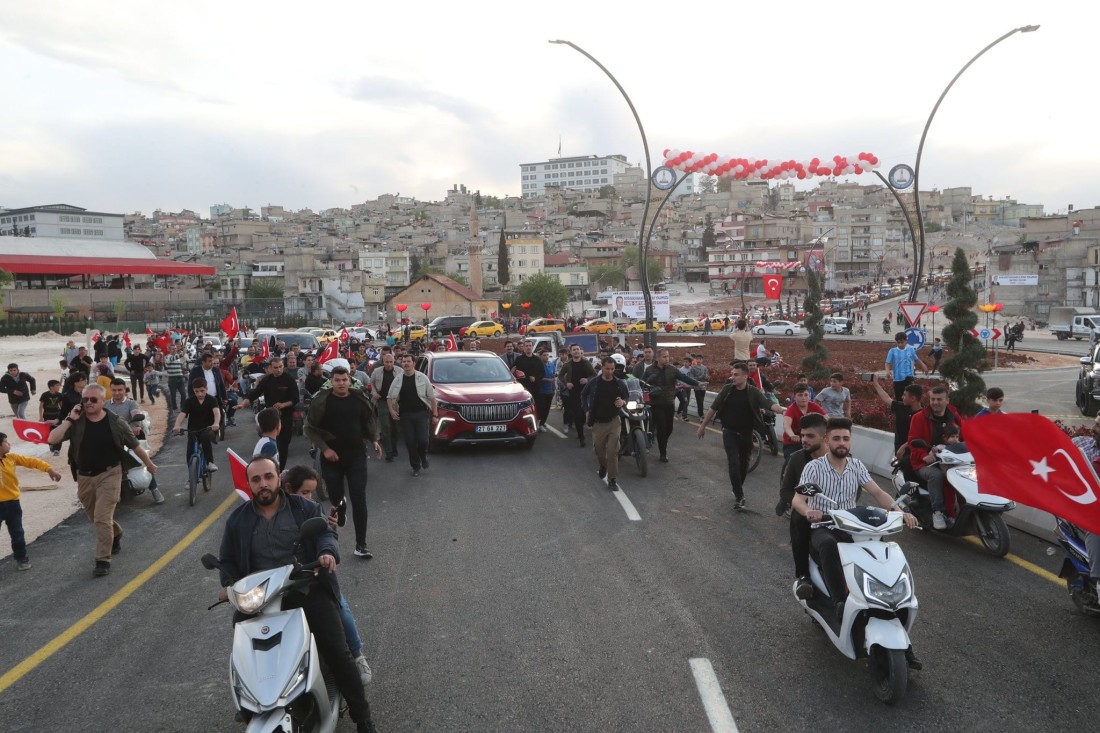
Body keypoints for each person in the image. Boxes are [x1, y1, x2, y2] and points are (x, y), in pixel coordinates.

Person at [215, 456, 377, 733]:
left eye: (268, 477)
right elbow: (227, 559)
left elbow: (326, 534)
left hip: (304, 587)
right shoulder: (238, 521)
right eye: (256, 479)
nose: (263, 484)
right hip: (261, 597)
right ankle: (251, 702)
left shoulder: (305, 507)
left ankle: (363, 719)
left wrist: (326, 553)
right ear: (250, 484)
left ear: (279, 478)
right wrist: (228, 583)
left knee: (338, 651)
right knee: (243, 650)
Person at [793, 419, 919, 633]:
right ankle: (839, 603)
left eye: (845, 438)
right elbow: (798, 500)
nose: (841, 443)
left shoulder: (856, 466)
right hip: (824, 527)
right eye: (836, 438)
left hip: (853, 526)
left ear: (851, 441)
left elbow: (878, 493)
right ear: (826, 440)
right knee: (829, 545)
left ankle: (890, 607)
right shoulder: (814, 467)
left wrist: (900, 512)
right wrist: (809, 512)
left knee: (880, 552)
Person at [48, 383, 158, 577]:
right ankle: (116, 532)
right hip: (84, 476)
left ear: (102, 401)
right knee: (95, 517)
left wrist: (149, 464)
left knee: (101, 517)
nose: (88, 403)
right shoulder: (77, 422)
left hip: (110, 474)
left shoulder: (115, 422)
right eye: (85, 400)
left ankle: (102, 560)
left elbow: (136, 446)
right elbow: (52, 439)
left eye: (93, 400)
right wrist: (69, 419)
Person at [281, 464, 373, 685]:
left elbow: (327, 537)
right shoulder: (274, 512)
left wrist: (328, 540)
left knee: (339, 606)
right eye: (304, 492)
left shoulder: (311, 508)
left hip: (314, 575)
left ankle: (357, 654)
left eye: (311, 492)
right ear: (287, 488)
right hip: (281, 582)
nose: (309, 497)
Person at [305, 365, 383, 558]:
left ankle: (361, 545)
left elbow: (368, 421)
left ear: (350, 380)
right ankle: (341, 506)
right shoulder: (321, 401)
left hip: (356, 456)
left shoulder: (358, 399)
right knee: (336, 497)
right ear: (331, 381)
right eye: (337, 380)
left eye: (344, 380)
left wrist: (374, 440)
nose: (341, 383)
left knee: (359, 498)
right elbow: (310, 428)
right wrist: (325, 449)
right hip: (332, 458)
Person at [697, 362, 784, 511]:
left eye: (736, 375)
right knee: (733, 463)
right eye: (732, 374)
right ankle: (739, 496)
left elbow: (767, 403)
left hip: (747, 434)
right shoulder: (727, 390)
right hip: (729, 432)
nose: (733, 377)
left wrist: (781, 410)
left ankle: (738, 487)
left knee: (744, 465)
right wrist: (702, 426)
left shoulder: (753, 392)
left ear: (745, 376)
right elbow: (713, 408)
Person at [0, 431, 63, 572]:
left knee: (17, 534)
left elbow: (32, 461)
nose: (9, 444)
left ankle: (22, 559)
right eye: (5, 442)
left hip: (12, 504)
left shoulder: (11, 458)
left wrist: (49, 470)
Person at [779, 414, 827, 592]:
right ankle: (803, 576)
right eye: (803, 435)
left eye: (810, 436)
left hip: (834, 513)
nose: (804, 440)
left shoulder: (841, 457)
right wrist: (804, 507)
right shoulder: (797, 458)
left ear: (824, 438)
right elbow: (785, 491)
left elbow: (857, 488)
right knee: (798, 520)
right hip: (807, 513)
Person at [907, 385, 965, 530]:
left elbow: (965, 434)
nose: (935, 403)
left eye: (939, 399)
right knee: (937, 476)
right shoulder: (919, 418)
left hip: (951, 460)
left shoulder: (953, 414)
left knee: (964, 475)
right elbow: (912, 441)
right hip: (925, 463)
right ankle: (937, 512)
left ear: (947, 401)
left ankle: (964, 510)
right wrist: (924, 455)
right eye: (933, 399)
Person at [105, 378, 165, 504]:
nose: (117, 393)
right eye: (114, 390)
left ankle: (154, 489)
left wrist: (137, 425)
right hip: (111, 441)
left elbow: (136, 414)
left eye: (120, 390)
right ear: (111, 390)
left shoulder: (131, 404)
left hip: (130, 438)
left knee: (142, 461)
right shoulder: (105, 405)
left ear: (124, 390)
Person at [238, 358, 299, 471]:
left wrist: (283, 405)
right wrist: (244, 403)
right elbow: (254, 394)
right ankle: (269, 469)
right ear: (270, 368)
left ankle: (279, 471)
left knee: (283, 446)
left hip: (286, 417)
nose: (278, 369)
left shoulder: (289, 380)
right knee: (270, 444)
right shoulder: (267, 380)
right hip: (271, 417)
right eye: (275, 367)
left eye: (280, 366)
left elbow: (295, 399)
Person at [643, 349, 702, 463]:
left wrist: (697, 383)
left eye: (668, 356)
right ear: (658, 358)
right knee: (661, 428)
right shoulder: (650, 370)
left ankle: (662, 442)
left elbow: (684, 378)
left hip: (669, 403)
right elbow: (642, 383)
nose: (667, 359)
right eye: (664, 357)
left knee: (669, 429)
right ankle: (663, 453)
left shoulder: (672, 369)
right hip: (656, 404)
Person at [580, 356, 629, 491]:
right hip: (598, 422)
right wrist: (586, 411)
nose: (610, 371)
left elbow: (626, 395)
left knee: (613, 451)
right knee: (600, 451)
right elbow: (583, 395)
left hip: (614, 421)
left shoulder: (619, 383)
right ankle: (603, 465)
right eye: (607, 369)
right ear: (602, 368)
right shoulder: (594, 383)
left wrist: (623, 402)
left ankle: (612, 479)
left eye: (612, 369)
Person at [387, 354, 436, 477]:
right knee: (410, 442)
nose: (406, 364)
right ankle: (416, 466)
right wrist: (392, 411)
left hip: (421, 413)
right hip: (406, 415)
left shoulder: (422, 378)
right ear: (401, 364)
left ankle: (423, 456)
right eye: (404, 362)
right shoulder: (398, 379)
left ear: (413, 363)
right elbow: (389, 397)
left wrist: (435, 414)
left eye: (408, 361)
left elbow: (432, 397)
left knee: (423, 440)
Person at [1071, 414, 1100, 601]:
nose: (1094, 428)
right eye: (1096, 424)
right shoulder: (1083, 444)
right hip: (1086, 508)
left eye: (1098, 425)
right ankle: (1099, 580)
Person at [173, 379, 222, 474]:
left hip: (209, 428)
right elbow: (182, 414)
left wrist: (216, 423)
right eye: (197, 391)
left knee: (205, 437)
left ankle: (210, 462)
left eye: (202, 391)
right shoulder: (190, 401)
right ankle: (191, 476)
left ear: (206, 389)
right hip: (193, 429)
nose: (199, 394)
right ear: (193, 390)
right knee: (190, 450)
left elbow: (217, 412)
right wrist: (177, 425)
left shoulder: (212, 400)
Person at [780, 382, 827, 475]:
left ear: (809, 396)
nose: (803, 398)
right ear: (794, 396)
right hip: (793, 443)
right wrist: (792, 435)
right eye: (800, 395)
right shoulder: (791, 409)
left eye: (806, 395)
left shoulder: (814, 406)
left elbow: (827, 419)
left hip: (811, 441)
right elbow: (787, 425)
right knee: (794, 463)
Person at [870, 375, 924, 456]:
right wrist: (875, 383)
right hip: (899, 451)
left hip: (913, 454)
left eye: (905, 395)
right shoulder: (901, 407)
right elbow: (887, 398)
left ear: (913, 398)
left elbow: (920, 436)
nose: (902, 397)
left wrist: (904, 447)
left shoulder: (924, 415)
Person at [559, 343, 596, 447]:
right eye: (574, 349)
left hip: (586, 393)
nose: (576, 351)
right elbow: (560, 376)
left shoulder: (586, 363)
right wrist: (567, 383)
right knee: (577, 415)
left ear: (580, 351)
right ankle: (581, 437)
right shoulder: (568, 364)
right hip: (573, 393)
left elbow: (594, 375)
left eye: (577, 349)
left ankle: (581, 428)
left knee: (584, 415)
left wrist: (587, 380)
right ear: (571, 352)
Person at [368, 352, 401, 462]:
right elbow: (371, 382)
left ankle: (394, 446)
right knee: (385, 426)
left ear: (394, 361)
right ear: (383, 362)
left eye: (391, 362)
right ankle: (389, 451)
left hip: (395, 402)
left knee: (395, 427)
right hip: (382, 401)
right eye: (386, 362)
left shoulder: (399, 371)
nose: (389, 364)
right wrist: (374, 392)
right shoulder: (377, 371)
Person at [885, 332, 929, 400]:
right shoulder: (892, 351)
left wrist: (923, 365)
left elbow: (917, 359)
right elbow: (887, 363)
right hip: (897, 379)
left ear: (906, 341)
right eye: (898, 342)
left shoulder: (911, 350)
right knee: (899, 398)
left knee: (910, 397)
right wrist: (887, 371)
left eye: (902, 342)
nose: (900, 344)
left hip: (909, 377)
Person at [511, 340, 544, 422]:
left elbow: (542, 372)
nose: (528, 347)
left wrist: (536, 378)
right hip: (523, 387)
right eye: (526, 346)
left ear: (532, 347)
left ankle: (538, 422)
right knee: (525, 407)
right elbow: (512, 370)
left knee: (537, 405)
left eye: (530, 345)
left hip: (536, 387)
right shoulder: (519, 359)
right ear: (524, 348)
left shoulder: (537, 359)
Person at [533, 349, 556, 430]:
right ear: (541, 356)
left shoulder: (552, 364)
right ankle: (539, 423)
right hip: (541, 390)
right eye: (544, 355)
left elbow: (553, 376)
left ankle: (543, 422)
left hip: (549, 390)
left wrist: (554, 388)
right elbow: (537, 378)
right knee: (541, 408)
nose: (546, 357)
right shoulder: (538, 365)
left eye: (547, 355)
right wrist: (548, 380)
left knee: (547, 408)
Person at [164, 343, 187, 412]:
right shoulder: (167, 357)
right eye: (173, 349)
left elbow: (184, 362)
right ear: (169, 350)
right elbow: (170, 360)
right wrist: (181, 355)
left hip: (180, 378)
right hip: (172, 379)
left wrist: (184, 352)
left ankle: (182, 407)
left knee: (183, 394)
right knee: (173, 395)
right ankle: (174, 408)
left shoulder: (178, 357)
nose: (174, 350)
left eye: (175, 348)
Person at [687, 355, 710, 422]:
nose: (698, 360)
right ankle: (701, 415)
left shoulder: (704, 368)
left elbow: (708, 377)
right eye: (697, 359)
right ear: (695, 360)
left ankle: (701, 414)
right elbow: (691, 378)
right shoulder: (693, 368)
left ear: (702, 360)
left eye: (700, 359)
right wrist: (699, 377)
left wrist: (706, 377)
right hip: (697, 387)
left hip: (703, 387)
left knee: (701, 401)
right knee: (699, 401)